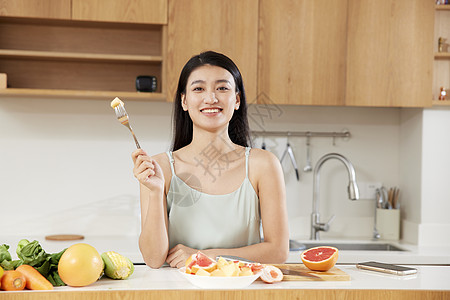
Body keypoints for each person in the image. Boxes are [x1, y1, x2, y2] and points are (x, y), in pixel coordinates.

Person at [131, 51, 289, 269]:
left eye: (222, 88)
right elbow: (153, 259)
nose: (211, 98)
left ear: (237, 100)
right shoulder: (161, 168)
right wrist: (156, 191)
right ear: (184, 101)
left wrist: (205, 256)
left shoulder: (263, 165)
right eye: (198, 88)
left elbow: (278, 251)